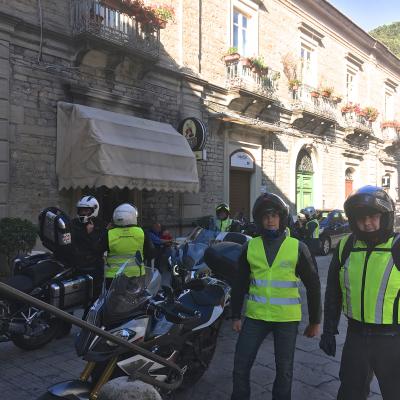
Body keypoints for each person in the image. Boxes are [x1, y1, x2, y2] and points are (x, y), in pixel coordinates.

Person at [231, 193, 321, 400]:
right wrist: (236, 315)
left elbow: (314, 286)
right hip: (255, 317)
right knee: (240, 366)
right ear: (260, 220)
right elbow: (239, 283)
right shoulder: (249, 247)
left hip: (286, 320)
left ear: (281, 218)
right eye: (265, 216)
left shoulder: (298, 247)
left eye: (274, 215)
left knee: (284, 371)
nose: (270, 220)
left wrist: (315, 321)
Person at [320, 186, 400, 400]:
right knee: (349, 393)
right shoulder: (346, 246)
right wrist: (329, 329)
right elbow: (334, 291)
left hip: (392, 340)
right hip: (356, 337)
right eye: (360, 218)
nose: (366, 223)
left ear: (385, 216)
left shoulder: (398, 247)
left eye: (373, 216)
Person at [105, 203, 155, 287]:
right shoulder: (141, 232)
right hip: (136, 276)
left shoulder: (109, 234)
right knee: (137, 299)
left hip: (113, 277)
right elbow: (151, 253)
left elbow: (97, 250)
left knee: (114, 299)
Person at [71, 195, 107, 300]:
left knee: (93, 298)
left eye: (86, 210)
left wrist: (90, 234)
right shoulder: (73, 224)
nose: (83, 213)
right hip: (77, 266)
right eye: (81, 210)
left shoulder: (101, 225)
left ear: (94, 210)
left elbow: (99, 247)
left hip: (94, 268)